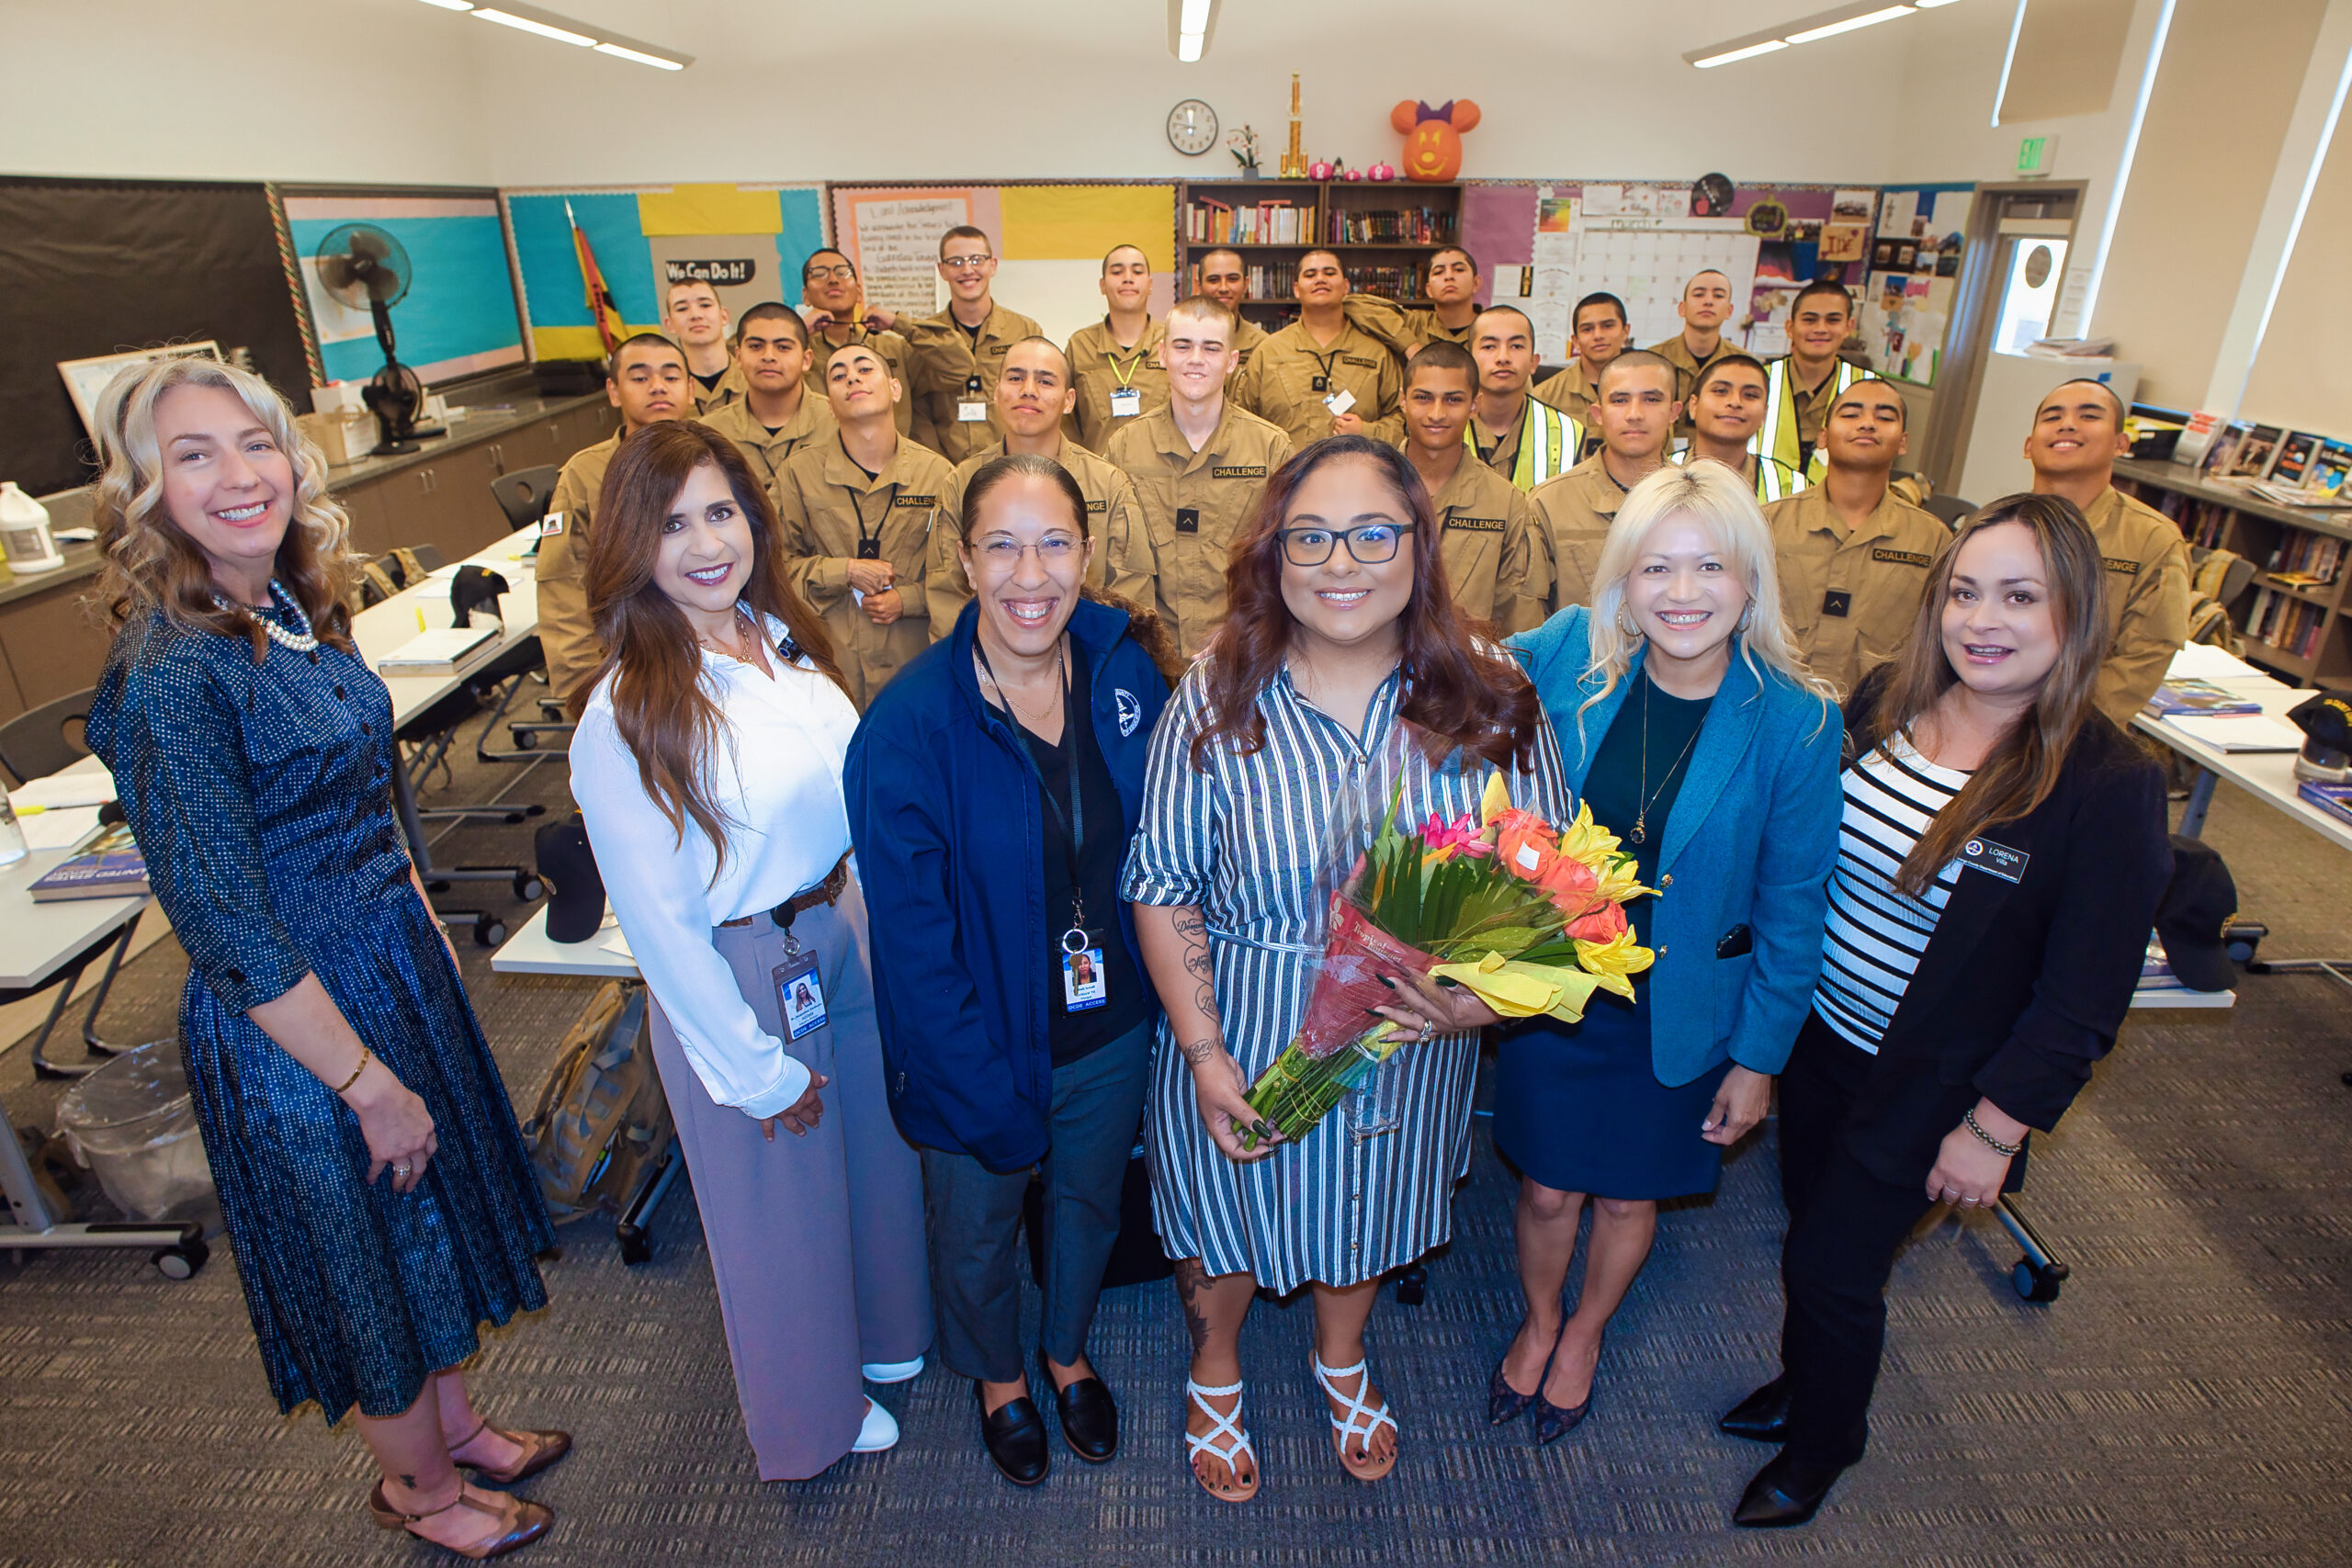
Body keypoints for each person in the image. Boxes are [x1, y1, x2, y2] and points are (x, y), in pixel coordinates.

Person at [83, 356, 560, 1561]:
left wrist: (428, 940)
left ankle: (456, 1427)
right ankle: (418, 1489)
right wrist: (366, 1081)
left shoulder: (288, 602)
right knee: (366, 1255)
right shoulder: (173, 673)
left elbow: (367, 795)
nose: (240, 474)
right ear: (143, 491)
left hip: (384, 960)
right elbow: (229, 929)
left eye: (256, 443)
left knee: (428, 1214)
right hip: (298, 1022)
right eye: (193, 454)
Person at [1123, 434, 1569, 1500]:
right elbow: (1163, 883)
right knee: (1222, 1213)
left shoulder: (1490, 698)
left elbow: (1550, 884)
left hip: (1404, 1043)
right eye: (1310, 537)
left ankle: (1341, 1355)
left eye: (1373, 533)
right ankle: (1215, 1364)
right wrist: (1203, 1053)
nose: (1341, 562)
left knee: (1361, 1211)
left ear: (1419, 544)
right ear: (1272, 556)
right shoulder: (1217, 697)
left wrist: (1478, 1004)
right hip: (1240, 1016)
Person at [1720, 493, 2172, 1528]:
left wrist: (1991, 1130)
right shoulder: (1889, 699)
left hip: (1937, 1082)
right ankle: (1805, 1385)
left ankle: (1826, 1441)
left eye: (2019, 597)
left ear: (2074, 614)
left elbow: (2083, 1000)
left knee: (1833, 1269)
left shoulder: (2107, 785)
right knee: (1811, 1235)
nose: (1983, 620)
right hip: (1823, 1040)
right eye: (1965, 592)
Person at [568, 421, 933, 1482]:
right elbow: (660, 928)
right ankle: (808, 1418)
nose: (704, 544)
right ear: (631, 546)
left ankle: (886, 1336)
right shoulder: (626, 710)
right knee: (779, 1215)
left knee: (871, 1157)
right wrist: (753, 1070)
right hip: (741, 970)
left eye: (720, 512)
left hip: (838, 931)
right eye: (671, 523)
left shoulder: (777, 639)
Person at [1496, 463, 1841, 1446]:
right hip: (1555, 982)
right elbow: (1440, 669)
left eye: (1709, 568)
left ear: (1750, 584)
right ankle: (1536, 1319)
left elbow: (1795, 904)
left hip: (1682, 1001)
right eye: (1655, 567)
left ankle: (1584, 1334)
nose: (1681, 594)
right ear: (1621, 578)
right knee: (1547, 1185)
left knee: (1626, 1190)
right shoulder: (1570, 653)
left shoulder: (1796, 721)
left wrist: (1760, 1059)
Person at [848, 453, 1174, 1487]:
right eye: (1001, 545)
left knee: (1087, 1204)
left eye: (1053, 544)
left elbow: (1166, 842)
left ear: (1087, 552)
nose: (1029, 576)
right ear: (961, 558)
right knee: (978, 1229)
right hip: (976, 1039)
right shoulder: (907, 730)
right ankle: (998, 1379)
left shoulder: (1126, 673)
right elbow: (912, 949)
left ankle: (1065, 1350)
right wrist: (974, 1085)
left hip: (1110, 1023)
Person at [923, 336, 1157, 638]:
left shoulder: (1108, 484)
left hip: (1087, 663)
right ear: (996, 393)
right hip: (988, 667)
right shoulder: (961, 483)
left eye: (1045, 381)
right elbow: (946, 599)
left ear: (1069, 399)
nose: (1028, 390)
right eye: (1016, 378)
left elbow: (1131, 599)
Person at [1102, 298, 1292, 660]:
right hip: (1147, 656)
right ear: (1162, 354)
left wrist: (1242, 631)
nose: (1195, 359)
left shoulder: (1270, 448)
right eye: (1183, 345)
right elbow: (1116, 563)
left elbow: (1283, 560)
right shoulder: (1126, 447)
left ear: (1232, 361)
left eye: (1211, 347)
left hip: (1243, 654)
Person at [773, 342, 957, 709]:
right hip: (828, 670)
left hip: (915, 667)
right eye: (838, 375)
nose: (852, 377)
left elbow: (958, 576)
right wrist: (843, 571)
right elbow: (772, 568)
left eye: (864, 369)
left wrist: (906, 600)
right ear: (829, 404)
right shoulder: (797, 473)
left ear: (894, 388)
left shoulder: (938, 474)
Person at [1764, 378, 1950, 696]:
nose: (1867, 423)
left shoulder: (1931, 540)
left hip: (1873, 723)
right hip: (1770, 711)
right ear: (1823, 437)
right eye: (1851, 414)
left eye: (1885, 417)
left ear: (1903, 442)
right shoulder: (1769, 523)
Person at [2022, 378, 2191, 726]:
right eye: (2053, 417)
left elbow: (2147, 654)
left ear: (2120, 444)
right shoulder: (1996, 526)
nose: (2067, 424)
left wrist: (2055, 723)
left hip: (2076, 731)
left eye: (2088, 416)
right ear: (2028, 445)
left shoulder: (2151, 539)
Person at [538, 333, 689, 717]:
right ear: (614, 391)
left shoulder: (716, 458)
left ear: (689, 388)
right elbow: (561, 583)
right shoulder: (585, 473)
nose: (658, 387)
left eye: (671, 377)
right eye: (640, 378)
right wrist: (583, 683)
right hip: (629, 663)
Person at [1396, 339, 1548, 631]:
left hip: (1468, 669)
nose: (1437, 413)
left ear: (1474, 404)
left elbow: (1519, 618)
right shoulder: (1368, 488)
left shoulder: (1504, 502)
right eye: (1423, 398)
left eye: (1453, 399)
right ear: (1403, 400)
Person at [1530, 350, 1679, 611]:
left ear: (1674, 412)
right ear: (1598, 414)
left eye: (1652, 399)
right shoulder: (1550, 503)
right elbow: (1530, 612)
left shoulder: (1704, 501)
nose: (1635, 414)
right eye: (1620, 400)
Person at [897, 225, 1045, 464]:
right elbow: (915, 410)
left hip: (1013, 467)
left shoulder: (1025, 331)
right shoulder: (922, 338)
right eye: (955, 262)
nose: (967, 270)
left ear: (992, 265)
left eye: (976, 260)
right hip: (945, 470)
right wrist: (937, 465)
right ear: (941, 270)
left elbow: (1040, 404)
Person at [1233, 250, 1404, 449]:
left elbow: (1403, 418)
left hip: (1357, 474)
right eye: (1310, 274)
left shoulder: (1376, 353)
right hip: (1285, 476)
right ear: (1296, 289)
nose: (1320, 279)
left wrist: (1367, 433)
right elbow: (1241, 420)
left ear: (1346, 286)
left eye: (1330, 273)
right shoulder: (1269, 352)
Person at [702, 302, 835, 491]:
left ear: (806, 360)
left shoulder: (837, 422)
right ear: (738, 357)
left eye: (783, 347)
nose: (769, 356)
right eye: (756, 346)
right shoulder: (711, 432)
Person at [799, 247, 916, 438]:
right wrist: (798, 332)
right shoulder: (796, 355)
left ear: (859, 292)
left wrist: (899, 323)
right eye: (819, 274)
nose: (833, 280)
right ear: (805, 295)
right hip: (820, 462)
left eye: (842, 272)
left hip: (893, 460)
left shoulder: (891, 347)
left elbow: (958, 366)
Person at [1758, 280, 1865, 481]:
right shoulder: (1757, 382)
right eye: (1809, 320)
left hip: (1837, 509)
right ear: (1789, 327)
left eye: (1833, 320)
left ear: (1848, 326)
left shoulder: (1869, 389)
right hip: (1761, 506)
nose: (1821, 329)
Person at [1468, 306, 1583, 492]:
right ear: (1469, 360)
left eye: (1516, 346)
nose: (1503, 357)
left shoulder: (1567, 432)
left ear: (1533, 362)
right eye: (1489, 346)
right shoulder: (1444, 426)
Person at [1066, 244, 1168, 451]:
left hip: (1164, 479)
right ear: (1102, 285)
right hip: (1097, 478)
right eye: (1117, 271)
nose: (1128, 278)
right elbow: (1066, 423)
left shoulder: (1173, 340)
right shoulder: (1080, 345)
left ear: (1149, 285)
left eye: (1137, 271)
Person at [1674, 354, 1806, 502]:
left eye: (1750, 395)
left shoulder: (1794, 489)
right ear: (1694, 405)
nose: (1735, 402)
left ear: (1764, 414)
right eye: (1721, 391)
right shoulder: (1657, 475)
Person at [1535, 291, 1633, 437]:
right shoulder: (1544, 397)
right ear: (1575, 341)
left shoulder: (1649, 392)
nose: (1598, 335)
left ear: (1625, 331)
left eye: (1607, 326)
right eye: (1587, 329)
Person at [1647, 270, 1737, 425]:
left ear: (1729, 311)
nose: (1708, 301)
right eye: (1699, 295)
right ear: (1682, 308)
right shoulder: (1652, 359)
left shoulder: (1741, 364)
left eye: (1718, 296)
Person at [665, 277, 742, 412]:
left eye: (705, 305)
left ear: (724, 316)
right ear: (669, 324)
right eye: (682, 309)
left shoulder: (754, 379)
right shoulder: (666, 391)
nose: (695, 315)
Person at [1195, 248, 1269, 368]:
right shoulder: (1181, 339)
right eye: (1214, 280)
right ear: (1199, 286)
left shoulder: (1262, 344)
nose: (1223, 288)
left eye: (1232, 279)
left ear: (1246, 284)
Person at [1405, 245, 1481, 349]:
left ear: (1476, 283)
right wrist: (1409, 346)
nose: (1448, 276)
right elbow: (1375, 309)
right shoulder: (1414, 324)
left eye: (1458, 270)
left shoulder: (1492, 326)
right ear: (1429, 290)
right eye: (1439, 272)